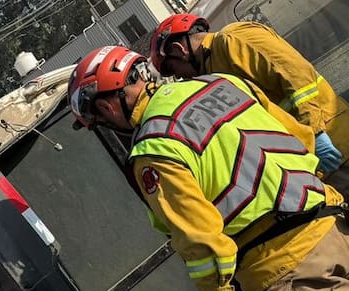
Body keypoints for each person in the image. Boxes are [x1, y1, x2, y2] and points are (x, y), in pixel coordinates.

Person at [68, 46, 349, 291]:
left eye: (101, 120)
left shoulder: (154, 149)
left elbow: (201, 243)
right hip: (334, 226)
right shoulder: (225, 83)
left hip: (285, 272)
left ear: (106, 107)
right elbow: (299, 138)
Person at [148, 13, 349, 189]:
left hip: (334, 137)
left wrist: (317, 133)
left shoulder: (233, 39)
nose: (182, 78)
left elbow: (297, 76)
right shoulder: (214, 72)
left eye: (174, 70)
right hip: (314, 159)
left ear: (178, 49)